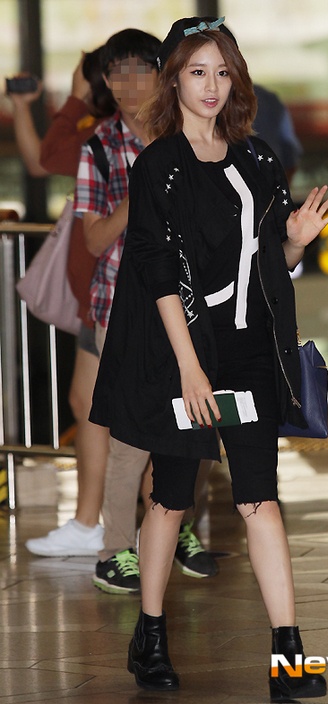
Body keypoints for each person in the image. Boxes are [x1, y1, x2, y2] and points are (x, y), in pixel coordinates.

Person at [89, 16, 328, 700]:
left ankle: (288, 655)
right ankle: (150, 636)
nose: (211, 85)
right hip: (184, 354)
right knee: (171, 499)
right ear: (175, 80)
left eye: (222, 72)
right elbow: (157, 274)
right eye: (198, 71)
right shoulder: (159, 166)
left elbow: (269, 263)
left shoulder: (257, 159)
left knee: (260, 498)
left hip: (250, 352)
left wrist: (296, 240)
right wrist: (190, 369)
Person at [74, 28, 217, 594]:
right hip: (123, 310)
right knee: (131, 436)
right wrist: (144, 190)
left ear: (162, 75)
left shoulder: (188, 133)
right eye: (118, 72)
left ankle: (177, 527)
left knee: (195, 422)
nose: (130, 83)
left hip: (190, 306)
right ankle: (116, 549)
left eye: (141, 69)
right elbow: (92, 239)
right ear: (107, 82)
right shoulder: (99, 148)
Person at [8, 49, 115, 556]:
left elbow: (47, 157)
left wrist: (73, 98)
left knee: (104, 408)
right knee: (87, 403)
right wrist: (25, 106)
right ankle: (95, 522)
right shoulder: (102, 130)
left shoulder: (109, 135)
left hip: (113, 293)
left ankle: (117, 523)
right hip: (99, 295)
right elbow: (42, 159)